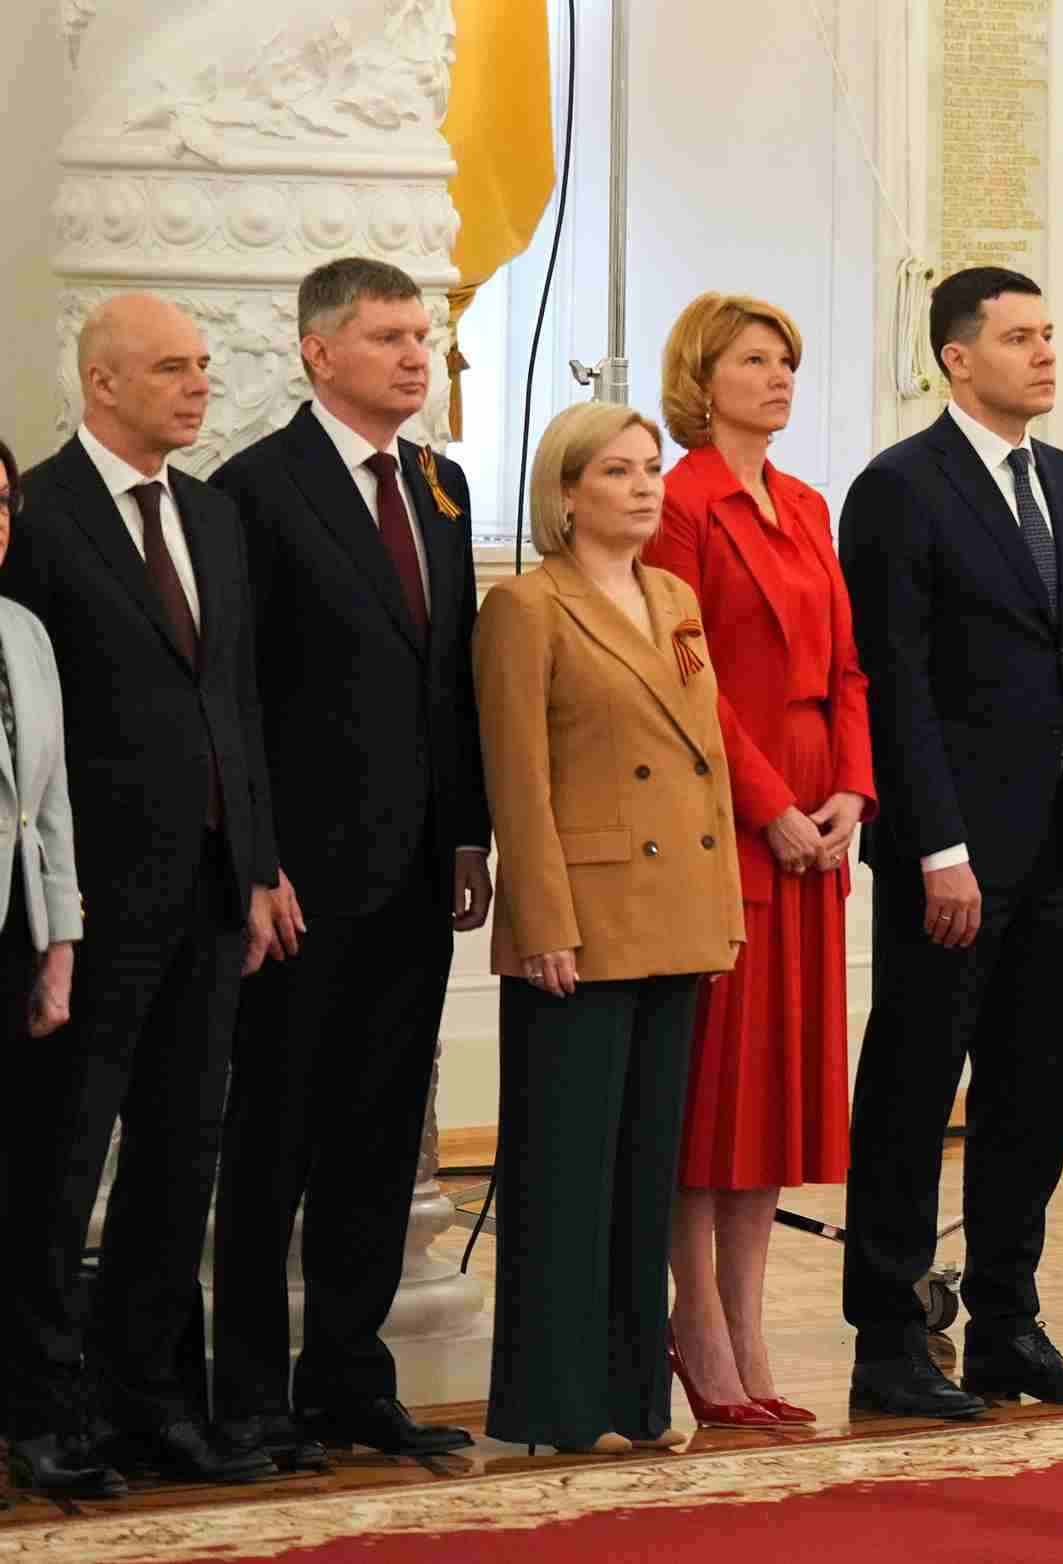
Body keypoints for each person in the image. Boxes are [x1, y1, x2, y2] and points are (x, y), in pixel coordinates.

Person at [204, 258, 491, 1470]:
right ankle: (248, 1394)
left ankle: (349, 1377)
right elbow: (234, 696)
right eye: (387, 337)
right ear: (318, 352)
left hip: (417, 871)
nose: (416, 356)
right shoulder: (252, 490)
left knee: (382, 1133)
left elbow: (452, 675)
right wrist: (256, 861)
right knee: (275, 1137)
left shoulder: (440, 485)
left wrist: (469, 830)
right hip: (300, 883)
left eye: (422, 335)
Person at [837, 267, 1063, 1419]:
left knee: (1032, 1094)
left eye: (1050, 333)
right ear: (957, 358)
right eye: (1020, 338)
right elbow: (896, 679)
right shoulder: (900, 486)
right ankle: (889, 1340)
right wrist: (936, 848)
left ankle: (1010, 1324)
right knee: (914, 1092)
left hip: (1057, 845)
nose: (1045, 353)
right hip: (951, 854)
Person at [0, 293, 288, 1492]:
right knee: (59, 1164)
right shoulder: (41, 514)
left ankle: (148, 1405)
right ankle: (37, 1411)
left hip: (212, 897)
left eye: (203, 365)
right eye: (171, 367)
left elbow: (237, 705)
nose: (198, 385)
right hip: (89, 905)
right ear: (101, 382)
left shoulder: (212, 514)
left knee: (180, 1162)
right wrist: (52, 913)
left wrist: (258, 865)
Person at [473, 401, 744, 1455]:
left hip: (675, 915)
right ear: (566, 492)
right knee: (565, 1176)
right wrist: (542, 918)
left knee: (643, 1173)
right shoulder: (526, 607)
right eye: (618, 471)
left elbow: (705, 761)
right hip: (580, 925)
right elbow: (518, 781)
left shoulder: (673, 595)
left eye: (651, 469)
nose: (644, 488)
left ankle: (634, 1400)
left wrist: (721, 910)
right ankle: (554, 1404)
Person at [640, 292, 874, 1429]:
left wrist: (851, 793)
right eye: (753, 359)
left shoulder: (809, 503)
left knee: (776, 1094)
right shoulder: (680, 502)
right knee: (714, 1093)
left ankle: (750, 1324)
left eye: (787, 359)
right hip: (725, 819)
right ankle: (697, 1323)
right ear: (703, 377)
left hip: (816, 825)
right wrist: (771, 803)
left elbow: (850, 668)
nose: (780, 376)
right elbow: (686, 678)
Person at [0, 438, 93, 1495]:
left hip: (19, 941)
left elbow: (50, 801)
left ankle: (32, 1418)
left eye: (1, 502)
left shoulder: (23, 629)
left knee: (29, 1188)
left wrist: (60, 944)